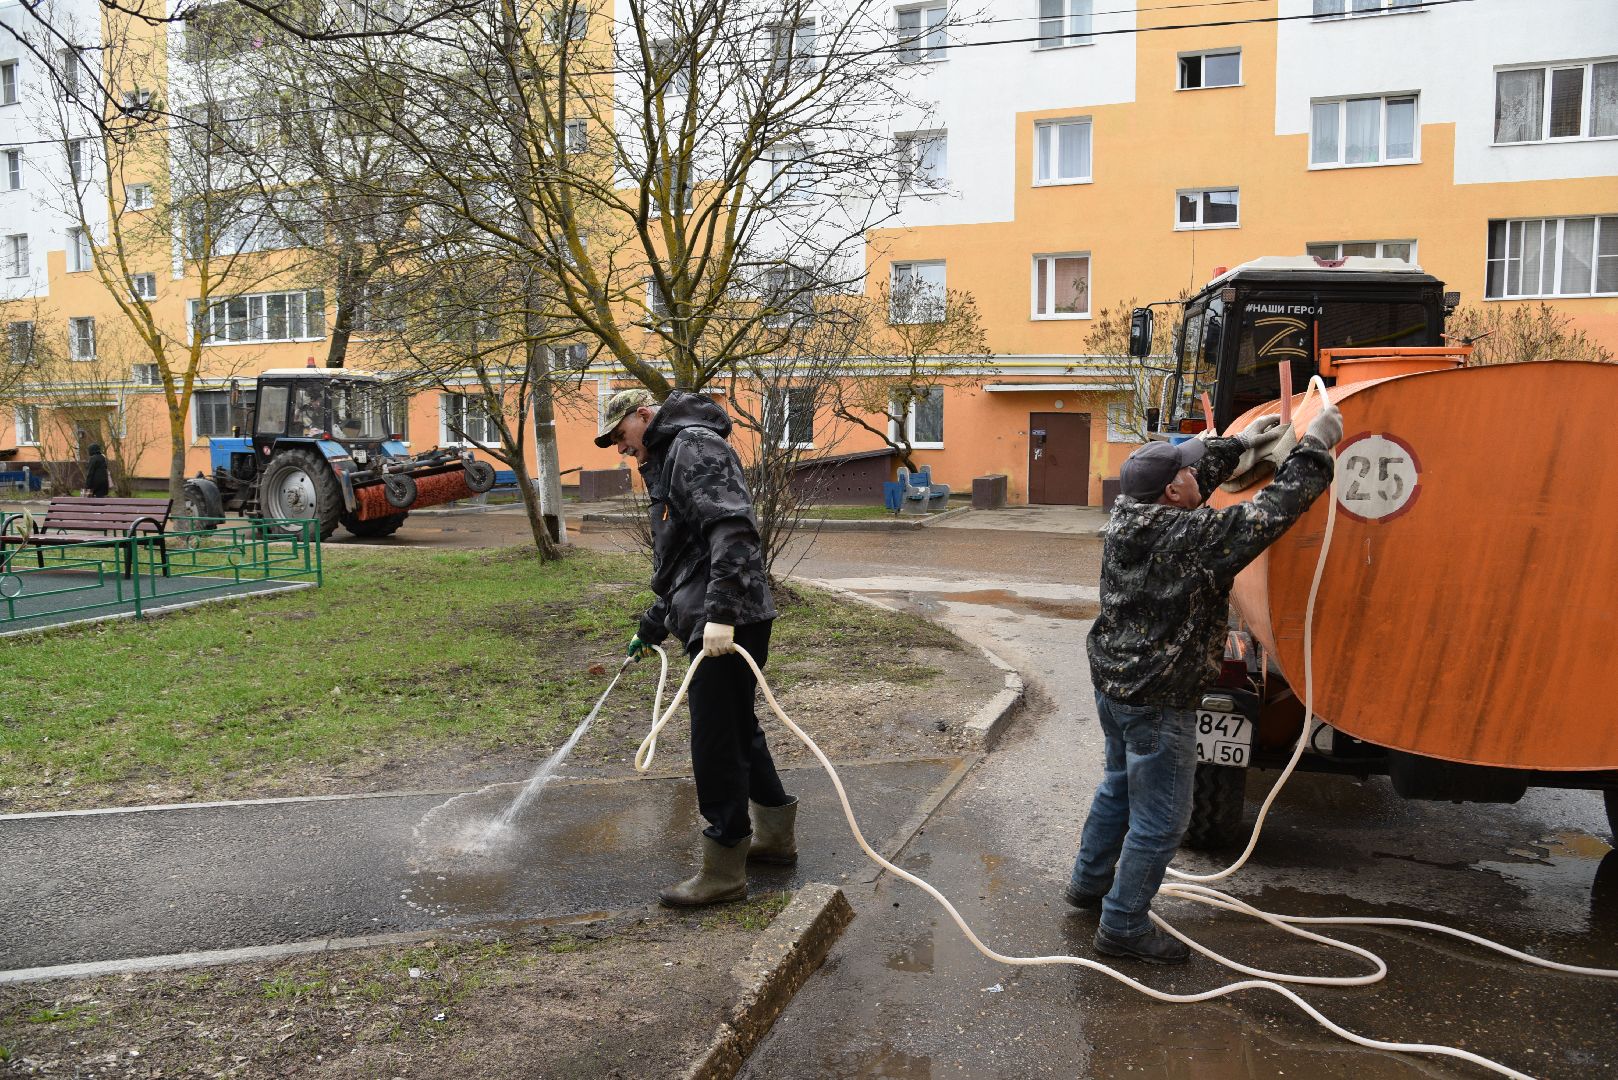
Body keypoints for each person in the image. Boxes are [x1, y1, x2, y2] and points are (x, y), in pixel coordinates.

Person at [1066, 403, 1344, 964]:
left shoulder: (1129, 512)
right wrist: (1315, 446)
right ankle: (1122, 926)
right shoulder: (1192, 539)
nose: (1198, 475)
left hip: (1114, 684)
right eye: (1188, 472)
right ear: (1172, 492)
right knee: (1162, 819)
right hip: (1159, 697)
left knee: (1118, 786)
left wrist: (1241, 447)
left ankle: (1088, 886)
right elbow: (1274, 510)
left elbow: (1190, 479)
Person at [594, 387, 798, 907]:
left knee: (715, 741)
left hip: (731, 620)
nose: (621, 447)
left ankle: (724, 868)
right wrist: (653, 624)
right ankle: (774, 838)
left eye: (622, 435)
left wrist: (722, 615)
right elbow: (685, 560)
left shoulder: (695, 445)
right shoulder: (667, 457)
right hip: (713, 615)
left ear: (644, 415)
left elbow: (732, 530)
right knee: (737, 728)